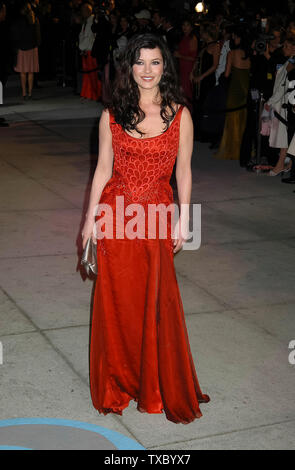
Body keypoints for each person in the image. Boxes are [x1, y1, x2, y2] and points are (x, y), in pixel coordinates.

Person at [82, 33, 210, 424]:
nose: (148, 71)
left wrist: (184, 219)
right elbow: (103, 169)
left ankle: (153, 383)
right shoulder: (112, 115)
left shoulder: (180, 115)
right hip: (116, 217)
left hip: (155, 216)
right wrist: (89, 221)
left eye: (155, 62)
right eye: (140, 63)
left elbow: (184, 171)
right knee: (118, 303)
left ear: (165, 67)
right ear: (129, 67)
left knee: (155, 301)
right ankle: (119, 381)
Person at [215, 25, 251, 161]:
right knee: (243, 119)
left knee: (232, 119)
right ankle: (241, 149)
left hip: (234, 89)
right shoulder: (249, 54)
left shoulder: (232, 53)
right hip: (245, 89)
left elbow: (227, 73)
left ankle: (231, 148)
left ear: (237, 37)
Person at [11, 1, 40, 100]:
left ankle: (24, 93)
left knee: (22, 72)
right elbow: (38, 36)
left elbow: (15, 35)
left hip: (22, 48)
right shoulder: (34, 19)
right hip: (32, 48)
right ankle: (30, 93)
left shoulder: (18, 21)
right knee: (30, 72)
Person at [78, 2, 101, 101]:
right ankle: (88, 94)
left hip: (91, 51)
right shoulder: (85, 22)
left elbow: (92, 38)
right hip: (85, 51)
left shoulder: (93, 21)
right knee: (87, 75)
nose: (82, 13)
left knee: (93, 75)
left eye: (83, 11)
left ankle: (95, 95)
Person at [174, 18, 198, 112]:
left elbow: (194, 58)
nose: (184, 27)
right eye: (183, 25)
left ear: (191, 27)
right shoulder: (183, 37)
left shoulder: (192, 38)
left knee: (187, 92)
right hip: (182, 67)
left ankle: (188, 114)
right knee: (182, 92)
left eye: (187, 25)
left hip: (188, 68)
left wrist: (180, 55)